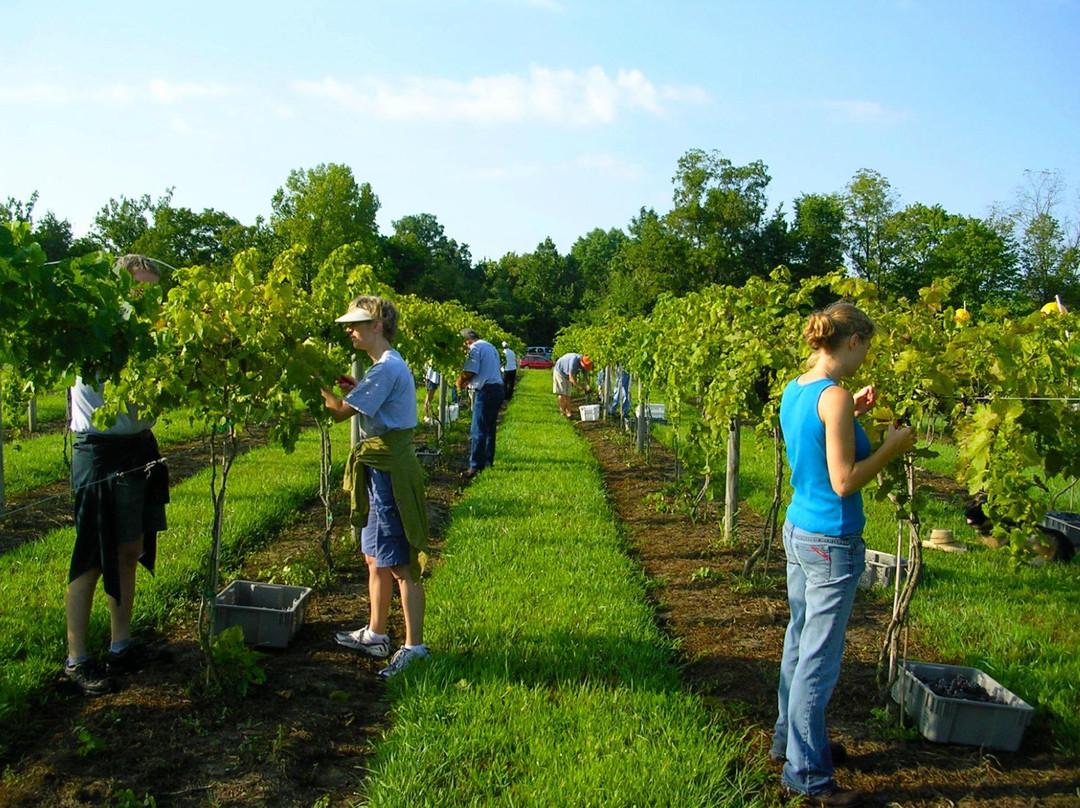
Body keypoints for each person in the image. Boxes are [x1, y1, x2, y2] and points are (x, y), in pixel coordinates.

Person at [770, 301, 915, 807]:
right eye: (866, 346)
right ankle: (807, 775)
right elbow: (843, 480)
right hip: (831, 539)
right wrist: (890, 447)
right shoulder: (833, 396)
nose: (866, 357)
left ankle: (788, 742)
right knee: (820, 658)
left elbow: (813, 438)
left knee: (798, 641)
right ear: (851, 341)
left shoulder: (799, 387)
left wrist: (852, 413)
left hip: (799, 529)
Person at [64, 255, 170, 696]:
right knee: (91, 554)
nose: (148, 296)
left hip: (138, 449)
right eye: (140, 287)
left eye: (152, 288)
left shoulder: (153, 335)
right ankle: (76, 659)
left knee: (129, 547)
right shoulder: (95, 330)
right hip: (101, 455)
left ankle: (121, 645)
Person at [322, 296, 431, 680]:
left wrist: (313, 382)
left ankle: (415, 647)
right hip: (379, 469)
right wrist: (354, 388)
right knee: (375, 557)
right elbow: (370, 405)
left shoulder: (386, 369)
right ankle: (376, 633)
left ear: (377, 326)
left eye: (356, 324)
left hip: (390, 474)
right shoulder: (381, 369)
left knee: (401, 563)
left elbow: (339, 414)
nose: (349, 330)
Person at [456, 328, 504, 478]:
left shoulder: (475, 348)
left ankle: (475, 466)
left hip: (486, 391)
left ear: (467, 341)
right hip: (497, 389)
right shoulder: (490, 347)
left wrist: (460, 381)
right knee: (489, 428)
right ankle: (488, 461)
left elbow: (470, 371)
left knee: (478, 430)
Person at [552, 352, 592, 418]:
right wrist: (580, 388)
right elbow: (571, 378)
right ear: (582, 362)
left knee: (568, 395)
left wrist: (588, 386)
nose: (585, 368)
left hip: (567, 374)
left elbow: (586, 377)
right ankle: (562, 412)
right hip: (560, 372)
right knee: (562, 393)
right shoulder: (573, 361)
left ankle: (569, 413)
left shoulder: (584, 365)